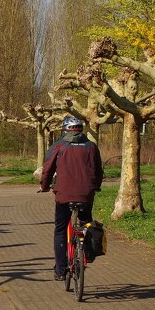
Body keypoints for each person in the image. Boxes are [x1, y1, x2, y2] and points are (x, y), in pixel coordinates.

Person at [39, 116, 102, 280]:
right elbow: (98, 170)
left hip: (64, 195)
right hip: (86, 194)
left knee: (60, 230)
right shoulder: (91, 146)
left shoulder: (59, 146)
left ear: (65, 130)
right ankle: (87, 251)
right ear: (81, 130)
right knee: (87, 222)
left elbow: (47, 169)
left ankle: (60, 270)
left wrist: (44, 186)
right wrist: (95, 186)